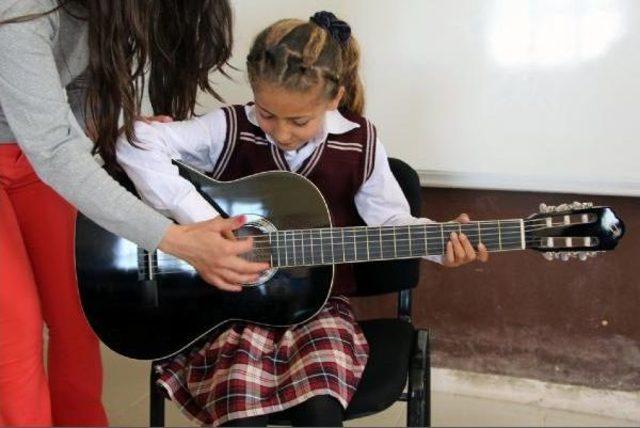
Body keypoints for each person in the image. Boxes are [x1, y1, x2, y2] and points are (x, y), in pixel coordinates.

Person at [116, 11, 489, 426]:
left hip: (320, 310)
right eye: (267, 113)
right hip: (231, 315)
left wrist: (441, 242)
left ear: (333, 99)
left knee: (320, 411)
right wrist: (207, 227)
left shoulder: (360, 143)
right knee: (242, 413)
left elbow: (392, 225)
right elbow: (136, 143)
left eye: (299, 120)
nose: (280, 132)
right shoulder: (229, 127)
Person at [0, 1, 268, 425]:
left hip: (31, 158)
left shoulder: (100, 12)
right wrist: (176, 240)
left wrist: (122, 125)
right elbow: (53, 149)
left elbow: (74, 94)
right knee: (15, 334)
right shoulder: (20, 11)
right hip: (40, 152)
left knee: (76, 317)